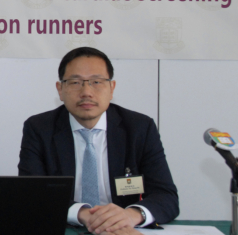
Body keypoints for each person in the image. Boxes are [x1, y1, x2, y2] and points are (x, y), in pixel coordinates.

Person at [18, 47, 178, 234]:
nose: (87, 92)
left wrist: (130, 215)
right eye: (75, 82)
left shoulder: (139, 128)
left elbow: (166, 196)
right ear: (60, 90)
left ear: (112, 88)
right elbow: (32, 196)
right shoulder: (39, 128)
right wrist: (85, 214)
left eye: (96, 81)